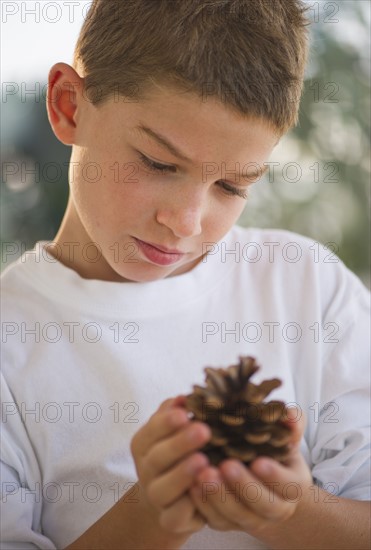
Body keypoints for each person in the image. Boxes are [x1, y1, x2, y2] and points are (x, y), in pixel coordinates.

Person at [1, 0, 370, 548]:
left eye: (233, 186)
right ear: (68, 106)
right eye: (158, 163)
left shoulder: (309, 288)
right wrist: (151, 515)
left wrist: (289, 513)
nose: (187, 221)